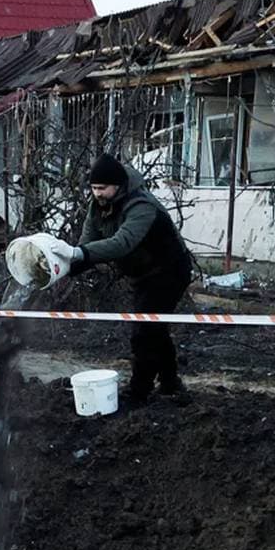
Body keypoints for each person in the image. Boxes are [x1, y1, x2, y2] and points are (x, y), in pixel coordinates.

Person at [51, 153, 196, 403]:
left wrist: (79, 253)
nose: (97, 193)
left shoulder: (141, 206)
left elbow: (123, 243)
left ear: (117, 185)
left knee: (144, 331)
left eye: (102, 188)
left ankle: (139, 391)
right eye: (94, 188)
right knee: (154, 327)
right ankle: (171, 383)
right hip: (141, 274)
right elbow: (89, 241)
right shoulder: (98, 206)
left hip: (169, 271)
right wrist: (66, 267)